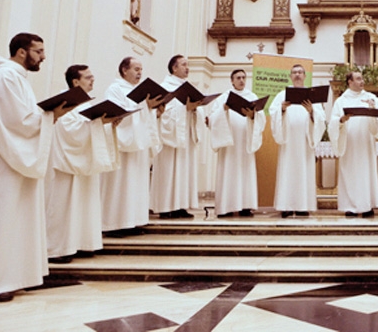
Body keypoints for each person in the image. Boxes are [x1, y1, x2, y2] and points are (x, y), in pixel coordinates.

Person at [0, 33, 68, 302]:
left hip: (13, 159)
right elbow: (18, 122)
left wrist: (49, 114)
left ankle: (11, 276)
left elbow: (24, 118)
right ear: (21, 52)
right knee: (1, 218)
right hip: (4, 162)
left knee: (15, 219)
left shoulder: (15, 78)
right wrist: (53, 114)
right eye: (38, 51)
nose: (43, 56)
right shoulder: (6, 77)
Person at [46, 65, 119, 263]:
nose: (92, 80)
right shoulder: (65, 100)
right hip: (67, 163)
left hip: (85, 162)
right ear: (75, 82)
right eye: (88, 77)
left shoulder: (86, 103)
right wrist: (97, 123)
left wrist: (108, 123)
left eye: (92, 77)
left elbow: (88, 125)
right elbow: (67, 128)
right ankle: (59, 248)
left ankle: (83, 243)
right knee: (65, 204)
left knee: (85, 201)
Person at [101, 57, 163, 235]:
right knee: (120, 184)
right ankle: (114, 224)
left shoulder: (138, 91)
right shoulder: (115, 89)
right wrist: (144, 104)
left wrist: (152, 109)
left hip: (139, 143)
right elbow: (116, 113)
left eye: (141, 69)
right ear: (124, 70)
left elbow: (143, 115)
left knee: (136, 183)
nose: (139, 73)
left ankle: (133, 221)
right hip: (124, 144)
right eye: (136, 69)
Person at [269, 64, 326, 218]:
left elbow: (321, 119)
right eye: (294, 72)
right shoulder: (281, 95)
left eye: (300, 72)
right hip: (288, 142)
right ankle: (286, 206)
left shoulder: (312, 97)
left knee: (304, 172)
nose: (297, 75)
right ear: (290, 76)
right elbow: (273, 114)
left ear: (305, 75)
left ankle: (303, 206)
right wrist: (281, 110)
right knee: (287, 171)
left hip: (304, 142)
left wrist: (312, 111)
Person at [328, 71, 378, 218]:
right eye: (358, 79)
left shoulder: (371, 98)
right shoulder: (341, 101)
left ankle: (367, 206)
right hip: (349, 144)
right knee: (349, 174)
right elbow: (333, 122)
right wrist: (341, 120)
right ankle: (350, 206)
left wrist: (373, 109)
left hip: (365, 144)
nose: (362, 81)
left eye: (362, 79)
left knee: (366, 174)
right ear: (350, 82)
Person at [208, 69, 265, 218]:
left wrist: (253, 116)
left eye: (243, 77)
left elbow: (261, 119)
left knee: (245, 173)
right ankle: (226, 207)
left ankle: (245, 206)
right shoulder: (223, 98)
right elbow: (212, 118)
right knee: (228, 172)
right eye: (238, 78)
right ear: (232, 80)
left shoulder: (252, 96)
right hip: (229, 145)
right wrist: (224, 110)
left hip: (245, 143)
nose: (241, 80)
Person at [152, 55, 204, 219]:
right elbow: (162, 112)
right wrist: (185, 109)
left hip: (185, 137)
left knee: (184, 170)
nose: (187, 68)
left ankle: (180, 206)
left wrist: (195, 109)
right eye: (183, 65)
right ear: (174, 68)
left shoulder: (188, 87)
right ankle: (166, 207)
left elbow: (196, 110)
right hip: (170, 140)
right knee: (168, 171)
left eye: (187, 65)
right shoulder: (165, 87)